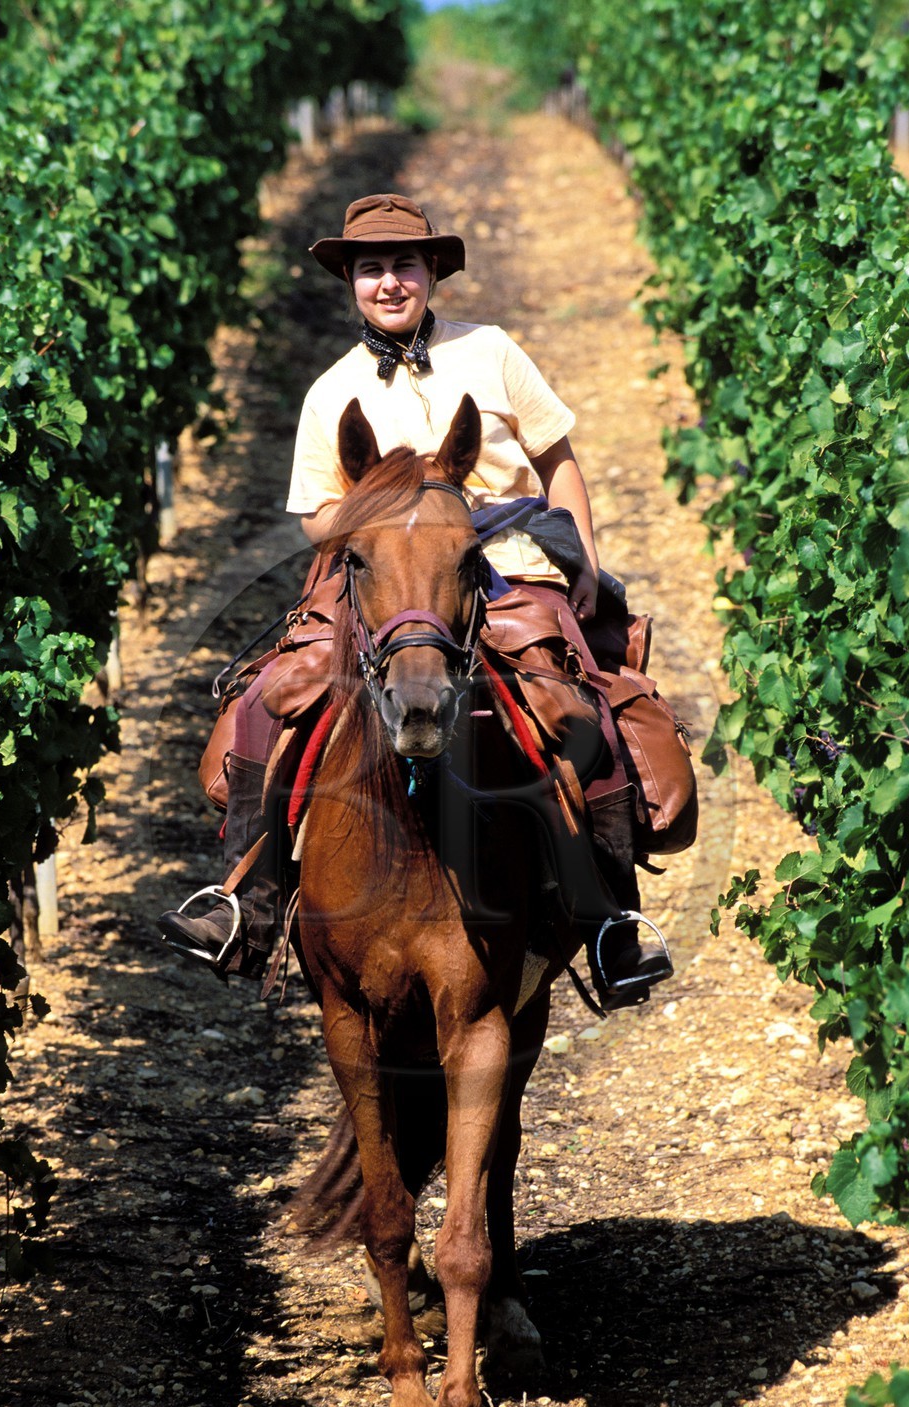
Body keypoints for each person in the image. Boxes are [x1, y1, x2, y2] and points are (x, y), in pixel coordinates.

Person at [158, 193, 673, 1006]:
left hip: (507, 566)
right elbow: (314, 514)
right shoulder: (331, 390)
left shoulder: (492, 352)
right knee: (269, 695)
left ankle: (611, 919)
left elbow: (557, 460)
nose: (389, 282)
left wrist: (581, 556)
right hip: (379, 579)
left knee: (573, 702)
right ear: (351, 282)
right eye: (371, 269)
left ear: (432, 271)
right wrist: (388, 525)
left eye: (404, 265)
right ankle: (245, 904)